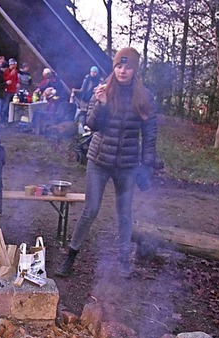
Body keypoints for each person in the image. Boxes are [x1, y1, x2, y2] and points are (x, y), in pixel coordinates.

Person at [55, 47, 157, 278]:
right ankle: (70, 258)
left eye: (128, 67)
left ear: (135, 70)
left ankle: (123, 261)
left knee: (124, 212)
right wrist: (101, 103)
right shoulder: (102, 90)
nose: (123, 71)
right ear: (114, 68)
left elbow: (150, 132)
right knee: (90, 209)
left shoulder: (144, 96)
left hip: (128, 163)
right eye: (119, 66)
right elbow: (92, 124)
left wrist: (147, 164)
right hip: (99, 159)